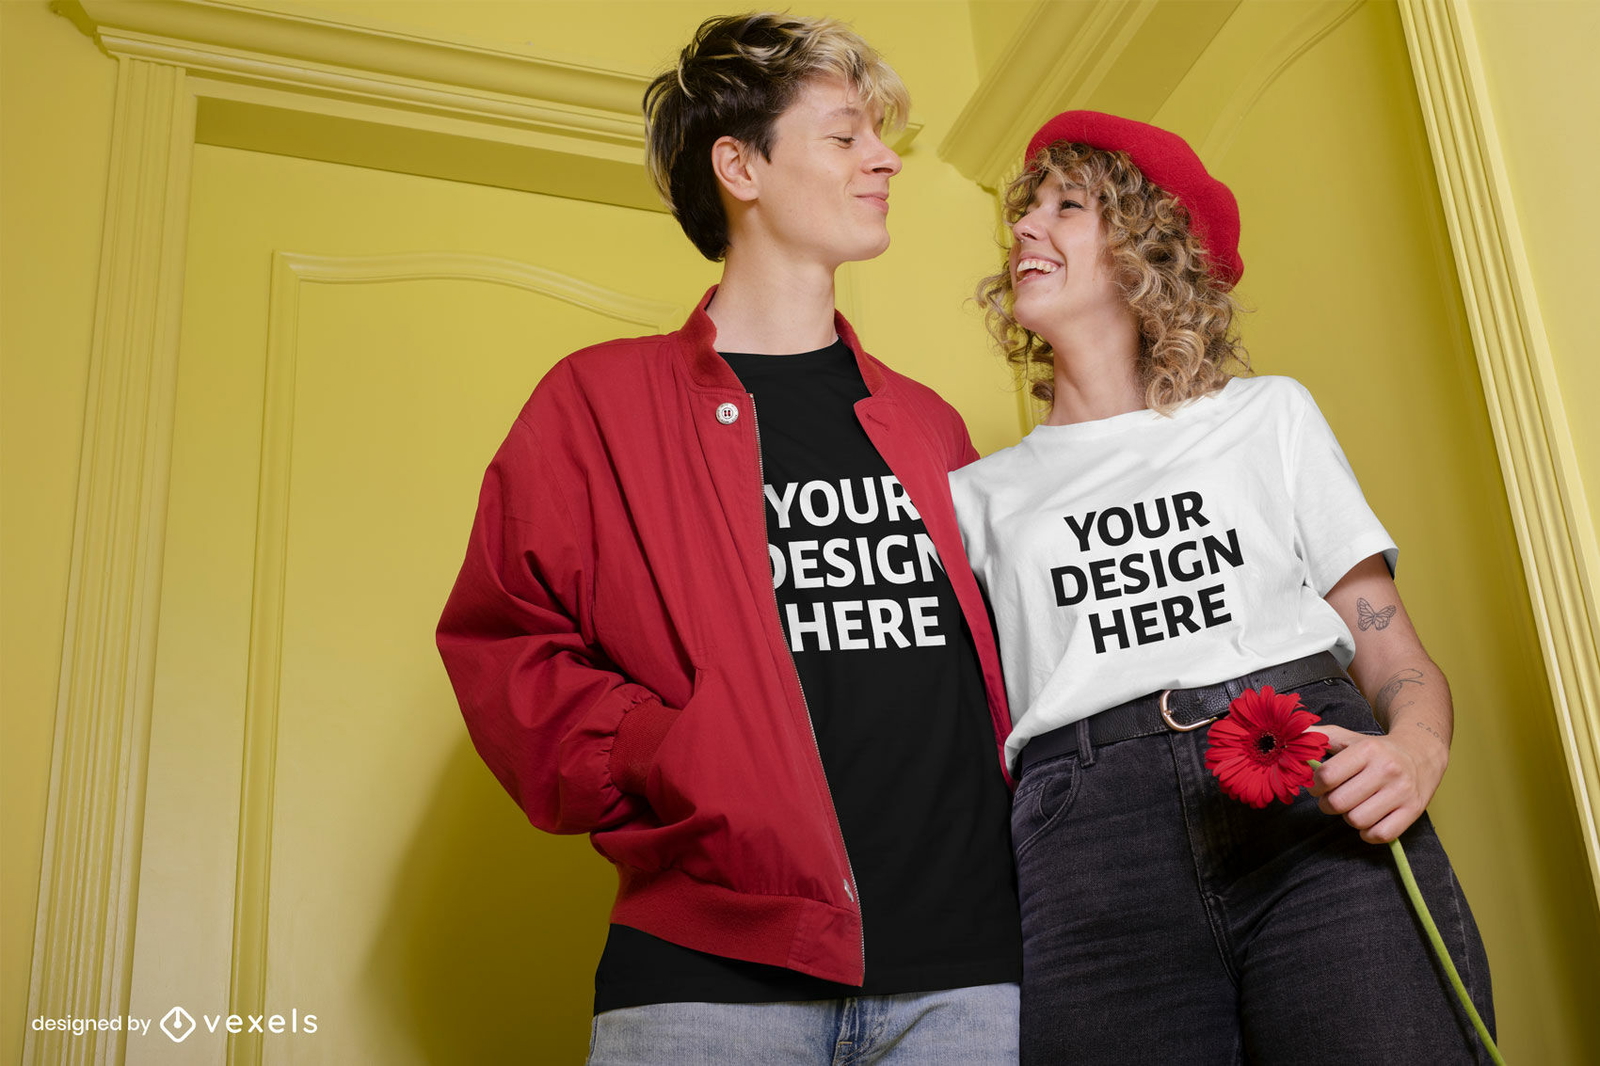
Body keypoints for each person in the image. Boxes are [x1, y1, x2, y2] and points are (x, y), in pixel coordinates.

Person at [436, 13, 1021, 1064]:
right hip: (707, 981)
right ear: (738, 165)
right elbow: (503, 646)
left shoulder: (929, 423)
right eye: (845, 136)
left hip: (971, 973)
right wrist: (667, 746)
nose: (884, 158)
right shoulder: (596, 404)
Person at [950, 110, 1496, 1064]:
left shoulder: (1267, 417)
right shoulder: (973, 497)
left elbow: (1393, 649)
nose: (1027, 227)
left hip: (1304, 796)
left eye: (1066, 206)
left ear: (1147, 249)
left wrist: (1412, 748)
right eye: (1025, 210)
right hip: (1089, 844)